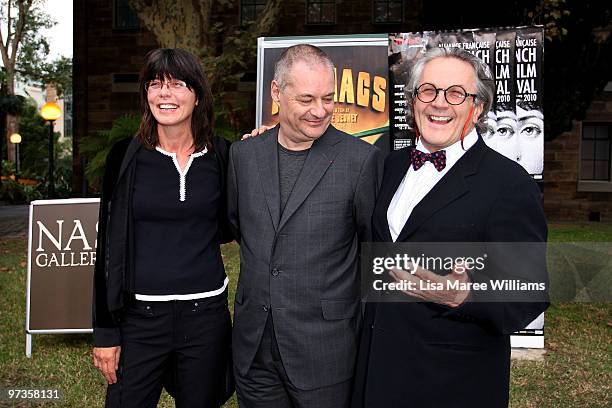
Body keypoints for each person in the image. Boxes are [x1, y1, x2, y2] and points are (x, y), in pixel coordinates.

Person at [352, 47, 548, 408]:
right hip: (377, 371)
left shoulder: (508, 183)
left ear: (479, 107)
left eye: (455, 93)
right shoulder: (389, 166)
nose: (438, 104)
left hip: (452, 381)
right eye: (428, 91)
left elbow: (530, 291)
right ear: (412, 101)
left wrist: (466, 296)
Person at [227, 44, 381, 408]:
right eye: (307, 98)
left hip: (325, 349)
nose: (320, 110)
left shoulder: (361, 161)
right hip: (254, 348)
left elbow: (373, 250)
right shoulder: (243, 156)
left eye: (328, 99)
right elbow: (238, 227)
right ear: (277, 93)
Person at [92, 48, 233, 408]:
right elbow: (106, 248)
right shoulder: (125, 157)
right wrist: (106, 332)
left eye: (176, 85)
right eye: (155, 85)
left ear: (197, 94)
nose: (164, 94)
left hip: (205, 319)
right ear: (146, 95)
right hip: (141, 320)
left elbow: (234, 225)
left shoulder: (223, 155)